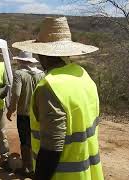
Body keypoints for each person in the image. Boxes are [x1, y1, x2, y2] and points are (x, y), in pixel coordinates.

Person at [13, 17, 104, 180]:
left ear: (42, 54)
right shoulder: (83, 75)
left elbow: (51, 148)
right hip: (90, 172)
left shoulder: (49, 86)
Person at [6, 51, 44, 177]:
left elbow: (16, 94)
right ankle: (37, 167)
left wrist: (10, 110)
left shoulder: (19, 74)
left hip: (24, 114)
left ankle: (27, 168)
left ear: (21, 61)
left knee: (25, 142)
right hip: (39, 114)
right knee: (37, 140)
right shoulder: (41, 74)